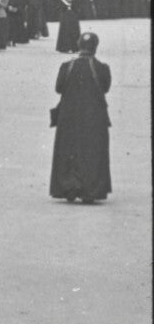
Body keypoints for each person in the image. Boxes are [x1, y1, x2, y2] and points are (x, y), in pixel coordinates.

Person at [49, 32, 112, 204]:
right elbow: (105, 88)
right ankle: (91, 189)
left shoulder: (66, 66)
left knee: (68, 149)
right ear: (95, 47)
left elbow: (58, 88)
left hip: (69, 115)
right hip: (95, 117)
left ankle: (68, 187)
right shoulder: (102, 68)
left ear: (79, 46)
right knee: (92, 151)